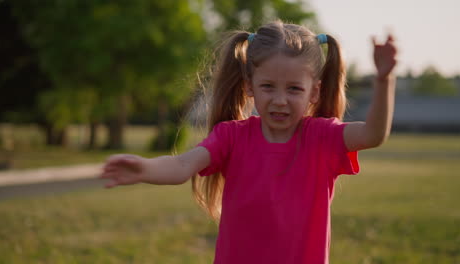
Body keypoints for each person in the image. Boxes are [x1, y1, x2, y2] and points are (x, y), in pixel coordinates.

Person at [100, 20, 397, 264]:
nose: (280, 100)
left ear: (314, 93)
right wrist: (144, 169)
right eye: (268, 86)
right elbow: (182, 165)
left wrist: (384, 82)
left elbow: (373, 134)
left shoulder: (322, 137)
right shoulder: (232, 136)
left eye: (294, 89)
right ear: (250, 86)